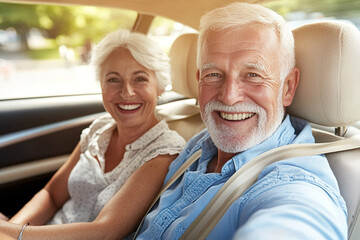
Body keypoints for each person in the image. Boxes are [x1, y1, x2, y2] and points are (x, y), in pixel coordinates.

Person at [136, 2, 347, 240]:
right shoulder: (201, 144)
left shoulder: (295, 185)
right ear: (199, 80)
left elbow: (299, 221)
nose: (229, 96)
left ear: (288, 87)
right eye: (213, 74)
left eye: (253, 75)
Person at [0, 29, 186, 239]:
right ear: (101, 85)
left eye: (140, 79)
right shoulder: (99, 129)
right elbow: (51, 195)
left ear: (160, 87)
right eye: (113, 79)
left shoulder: (165, 152)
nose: (127, 92)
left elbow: (106, 231)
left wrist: (11, 232)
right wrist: (11, 229)